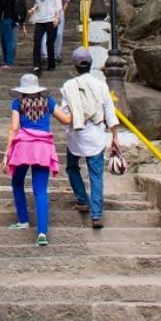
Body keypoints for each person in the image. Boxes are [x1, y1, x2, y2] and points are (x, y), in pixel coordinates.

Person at [2, 73, 72, 246]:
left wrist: (6, 154)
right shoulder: (48, 102)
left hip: (23, 147)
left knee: (17, 182)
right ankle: (42, 233)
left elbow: (14, 128)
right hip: (43, 148)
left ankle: (23, 220)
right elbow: (66, 120)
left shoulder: (17, 103)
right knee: (40, 190)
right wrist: (75, 107)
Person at [58, 48, 119, 229]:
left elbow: (65, 113)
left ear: (74, 66)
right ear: (91, 64)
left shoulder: (68, 86)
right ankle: (96, 215)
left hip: (76, 135)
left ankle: (83, 200)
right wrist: (115, 137)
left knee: (72, 167)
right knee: (96, 175)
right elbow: (110, 112)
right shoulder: (101, 85)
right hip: (96, 135)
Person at [30, 0, 62, 73]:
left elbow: (58, 4)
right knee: (37, 41)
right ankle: (36, 64)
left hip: (51, 19)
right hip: (40, 19)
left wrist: (57, 17)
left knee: (49, 42)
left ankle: (51, 64)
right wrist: (32, 10)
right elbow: (37, 4)